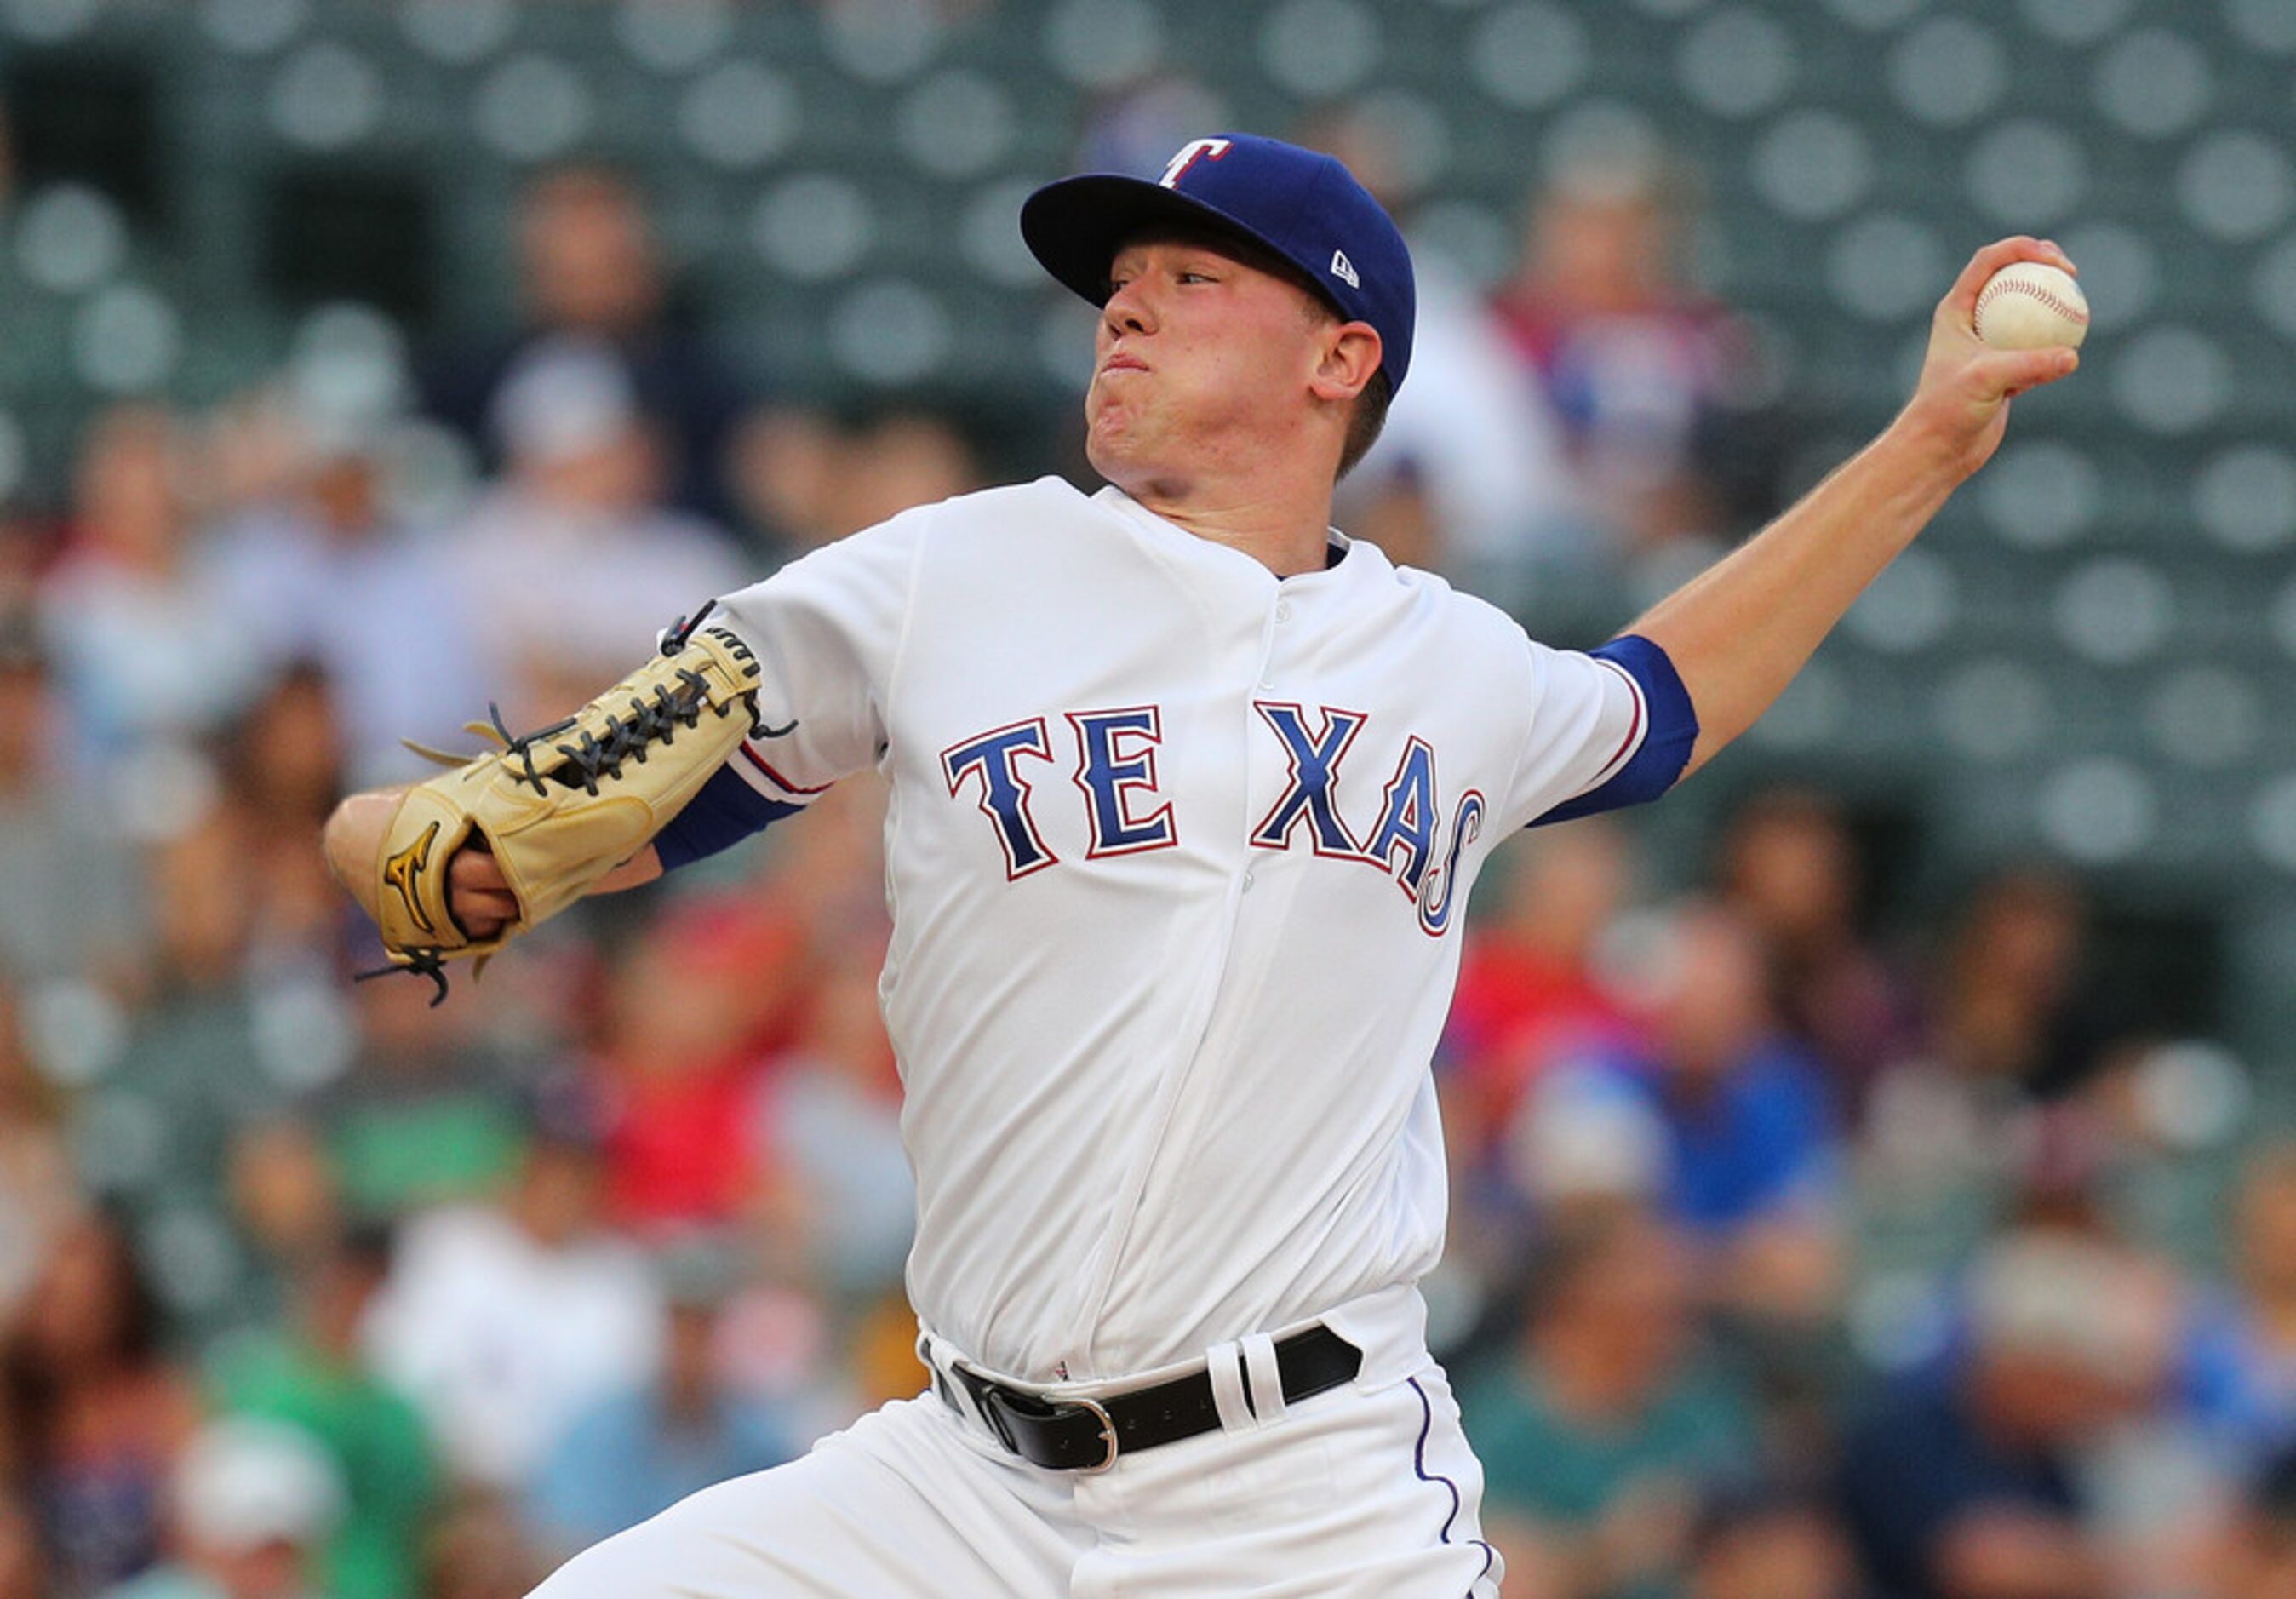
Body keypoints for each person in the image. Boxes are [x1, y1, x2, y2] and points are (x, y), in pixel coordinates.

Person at [323, 132, 2079, 1596]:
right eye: (1118, 284)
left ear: (1340, 358)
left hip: (1302, 1502)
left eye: (1192, 278)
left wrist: (1920, 444)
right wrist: (424, 851)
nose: (1128, 307)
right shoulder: (942, 577)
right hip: (957, 1487)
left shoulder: (1447, 664)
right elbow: (585, 820)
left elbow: (1660, 698)